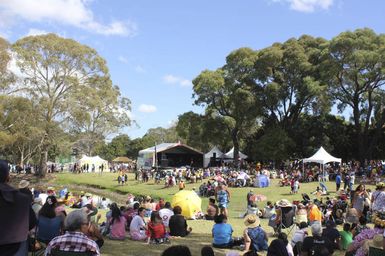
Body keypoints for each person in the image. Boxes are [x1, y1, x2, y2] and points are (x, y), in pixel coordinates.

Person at [0, 160, 37, 256]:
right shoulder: (22, 198)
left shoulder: (22, 197)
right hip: (16, 247)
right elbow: (32, 222)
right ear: (8, 177)